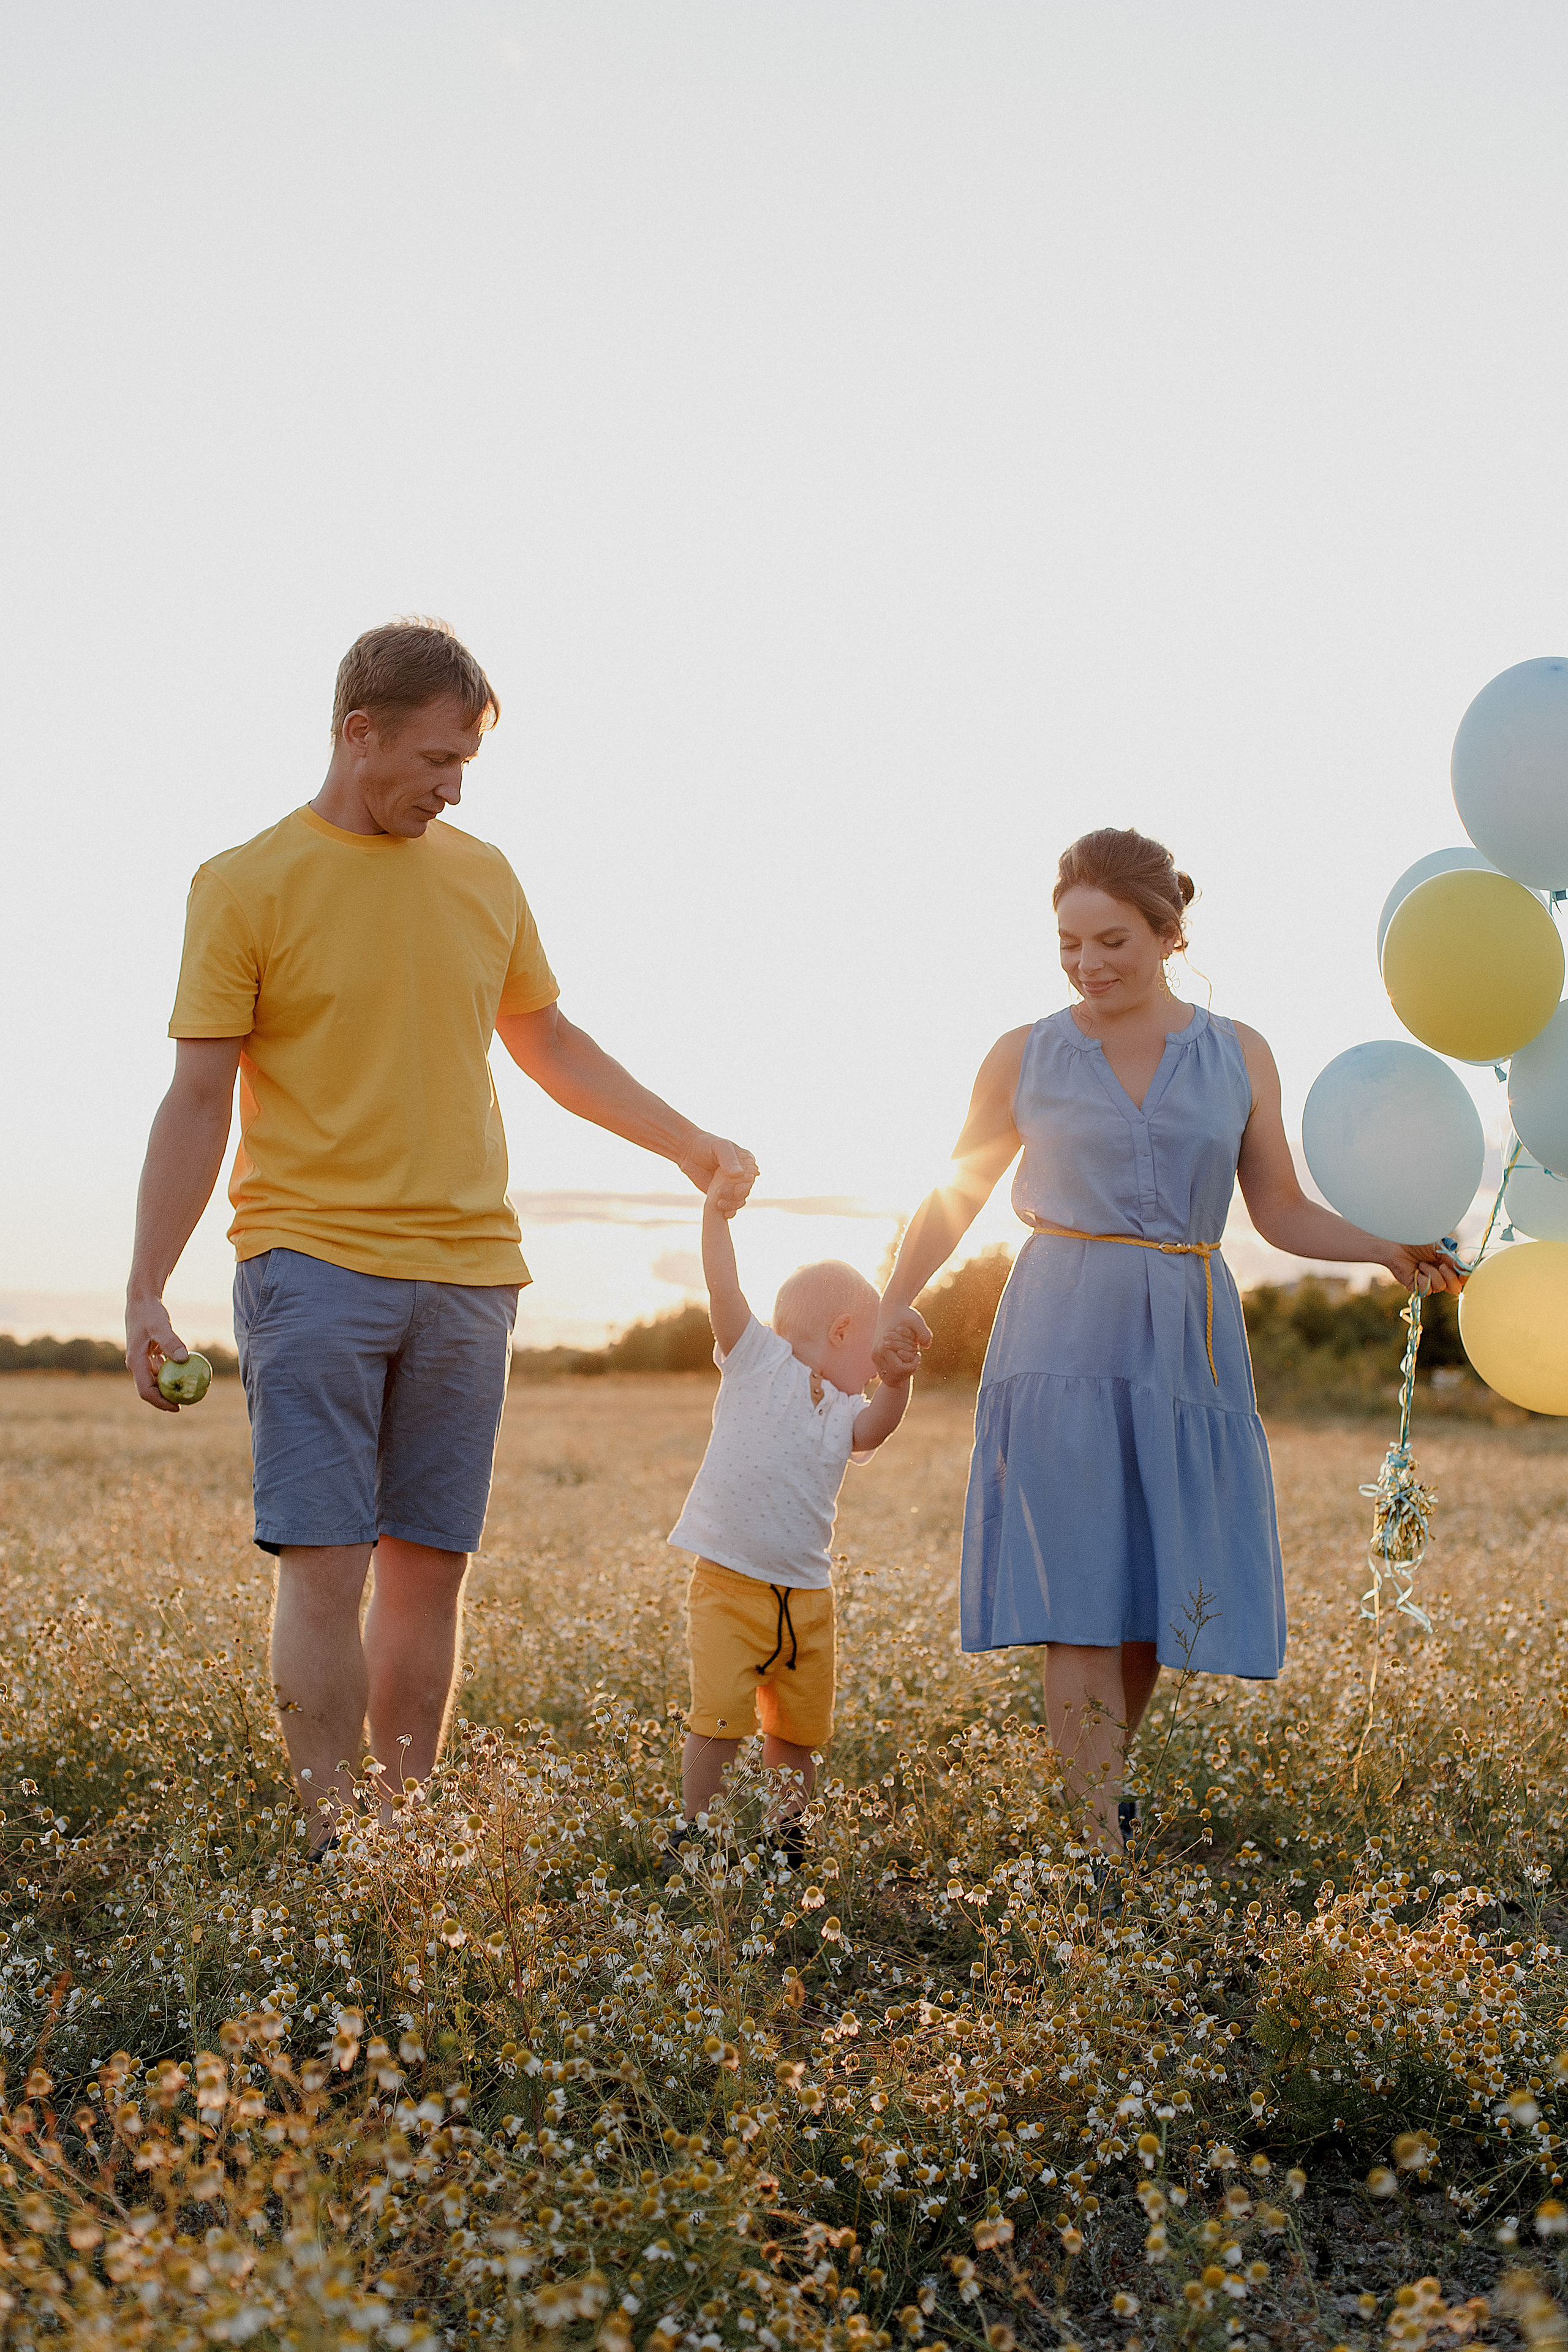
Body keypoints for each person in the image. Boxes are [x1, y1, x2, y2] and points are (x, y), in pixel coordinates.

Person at [125, 617, 756, 1855]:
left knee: (431, 1567)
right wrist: (147, 1286)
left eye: (465, 761)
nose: (450, 784)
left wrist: (686, 1142)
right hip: (309, 1267)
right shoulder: (245, 883)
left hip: (470, 1276)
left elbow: (551, 1045)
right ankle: (329, 1840)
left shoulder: (484, 876)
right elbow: (199, 1097)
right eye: (432, 757)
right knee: (324, 1564)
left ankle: (404, 1832)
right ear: (358, 735)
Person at [872, 826, 1462, 1855]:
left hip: (1186, 1337)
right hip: (1059, 1328)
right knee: (1078, 1602)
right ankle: (1098, 1848)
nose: (1089, 965)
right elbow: (953, 1195)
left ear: (1168, 933)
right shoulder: (1025, 1052)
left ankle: (1096, 1794)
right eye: (1069, 945)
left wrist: (1382, 1247)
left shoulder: (1239, 1053)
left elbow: (1276, 1209)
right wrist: (893, 1298)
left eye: (1112, 942)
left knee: (1144, 1595)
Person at [666, 1170, 921, 1865]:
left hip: (807, 1598)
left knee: (797, 1734)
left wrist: (896, 1383)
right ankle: (701, 1835)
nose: (871, 1377)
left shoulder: (845, 1413)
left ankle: (788, 1838)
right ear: (843, 1330)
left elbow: (876, 1430)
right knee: (719, 1720)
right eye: (872, 1360)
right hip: (728, 1586)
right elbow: (724, 1288)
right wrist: (716, 1217)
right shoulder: (755, 1361)